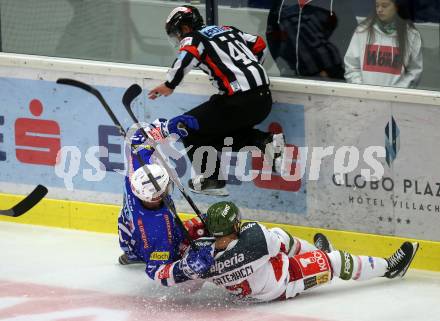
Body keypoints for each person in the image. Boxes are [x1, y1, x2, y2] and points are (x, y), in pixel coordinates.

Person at [149, 201, 419, 302]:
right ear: (234, 225)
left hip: (250, 285)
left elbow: (175, 280)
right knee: (333, 260)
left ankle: (315, 252)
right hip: (281, 282)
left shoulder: (201, 260)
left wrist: (187, 260)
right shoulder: (254, 237)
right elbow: (270, 245)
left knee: (279, 235)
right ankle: (389, 268)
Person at [148, 5, 285, 197]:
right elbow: (259, 44)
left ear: (185, 28)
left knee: (186, 126)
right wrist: (247, 69)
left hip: (239, 101)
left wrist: (170, 84)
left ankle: (212, 179)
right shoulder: (227, 29)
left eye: (177, 33)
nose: (179, 38)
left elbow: (188, 54)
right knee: (209, 138)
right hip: (263, 100)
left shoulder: (194, 37)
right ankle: (263, 141)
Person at [117, 116, 207, 283]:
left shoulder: (135, 178)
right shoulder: (158, 232)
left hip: (130, 238)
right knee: (203, 231)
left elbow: (136, 137)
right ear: (155, 197)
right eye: (166, 187)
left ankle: (130, 253)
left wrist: (165, 128)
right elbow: (157, 272)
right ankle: (135, 255)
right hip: (146, 247)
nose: (168, 189)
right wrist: (187, 269)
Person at [344, 0, 423, 88]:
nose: (379, 10)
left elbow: (414, 72)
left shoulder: (411, 35)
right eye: (377, 6)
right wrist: (362, 90)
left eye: (384, 6)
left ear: (397, 7)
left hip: (396, 99)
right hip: (364, 98)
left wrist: (396, 93)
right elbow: (352, 66)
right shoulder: (362, 31)